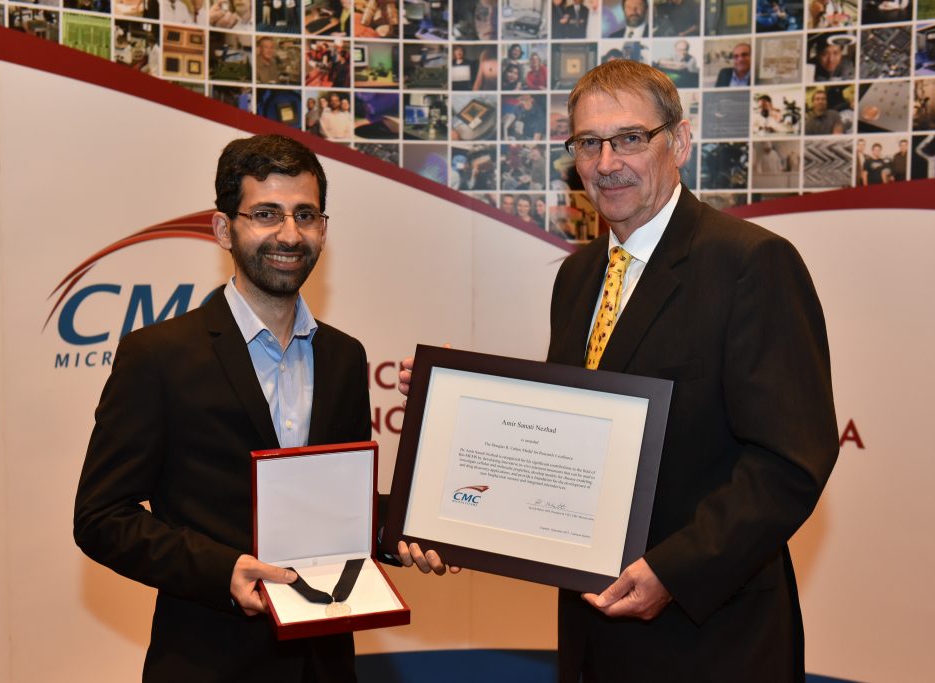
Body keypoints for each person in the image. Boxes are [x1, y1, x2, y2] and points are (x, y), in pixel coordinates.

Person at [399, 59, 838, 682]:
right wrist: (459, 498)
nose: (607, 163)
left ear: (678, 143)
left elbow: (790, 461)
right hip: (592, 637)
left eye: (630, 138)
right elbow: (566, 445)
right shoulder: (577, 278)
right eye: (587, 143)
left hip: (710, 641)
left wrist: (673, 572)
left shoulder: (751, 264)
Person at [74, 135, 372, 681]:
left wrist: (417, 529)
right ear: (222, 229)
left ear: (323, 229)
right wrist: (222, 571)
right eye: (266, 214)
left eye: (305, 215)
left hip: (324, 664)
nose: (289, 233)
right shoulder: (157, 357)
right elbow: (100, 518)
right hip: (207, 663)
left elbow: (343, 505)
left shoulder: (346, 358)